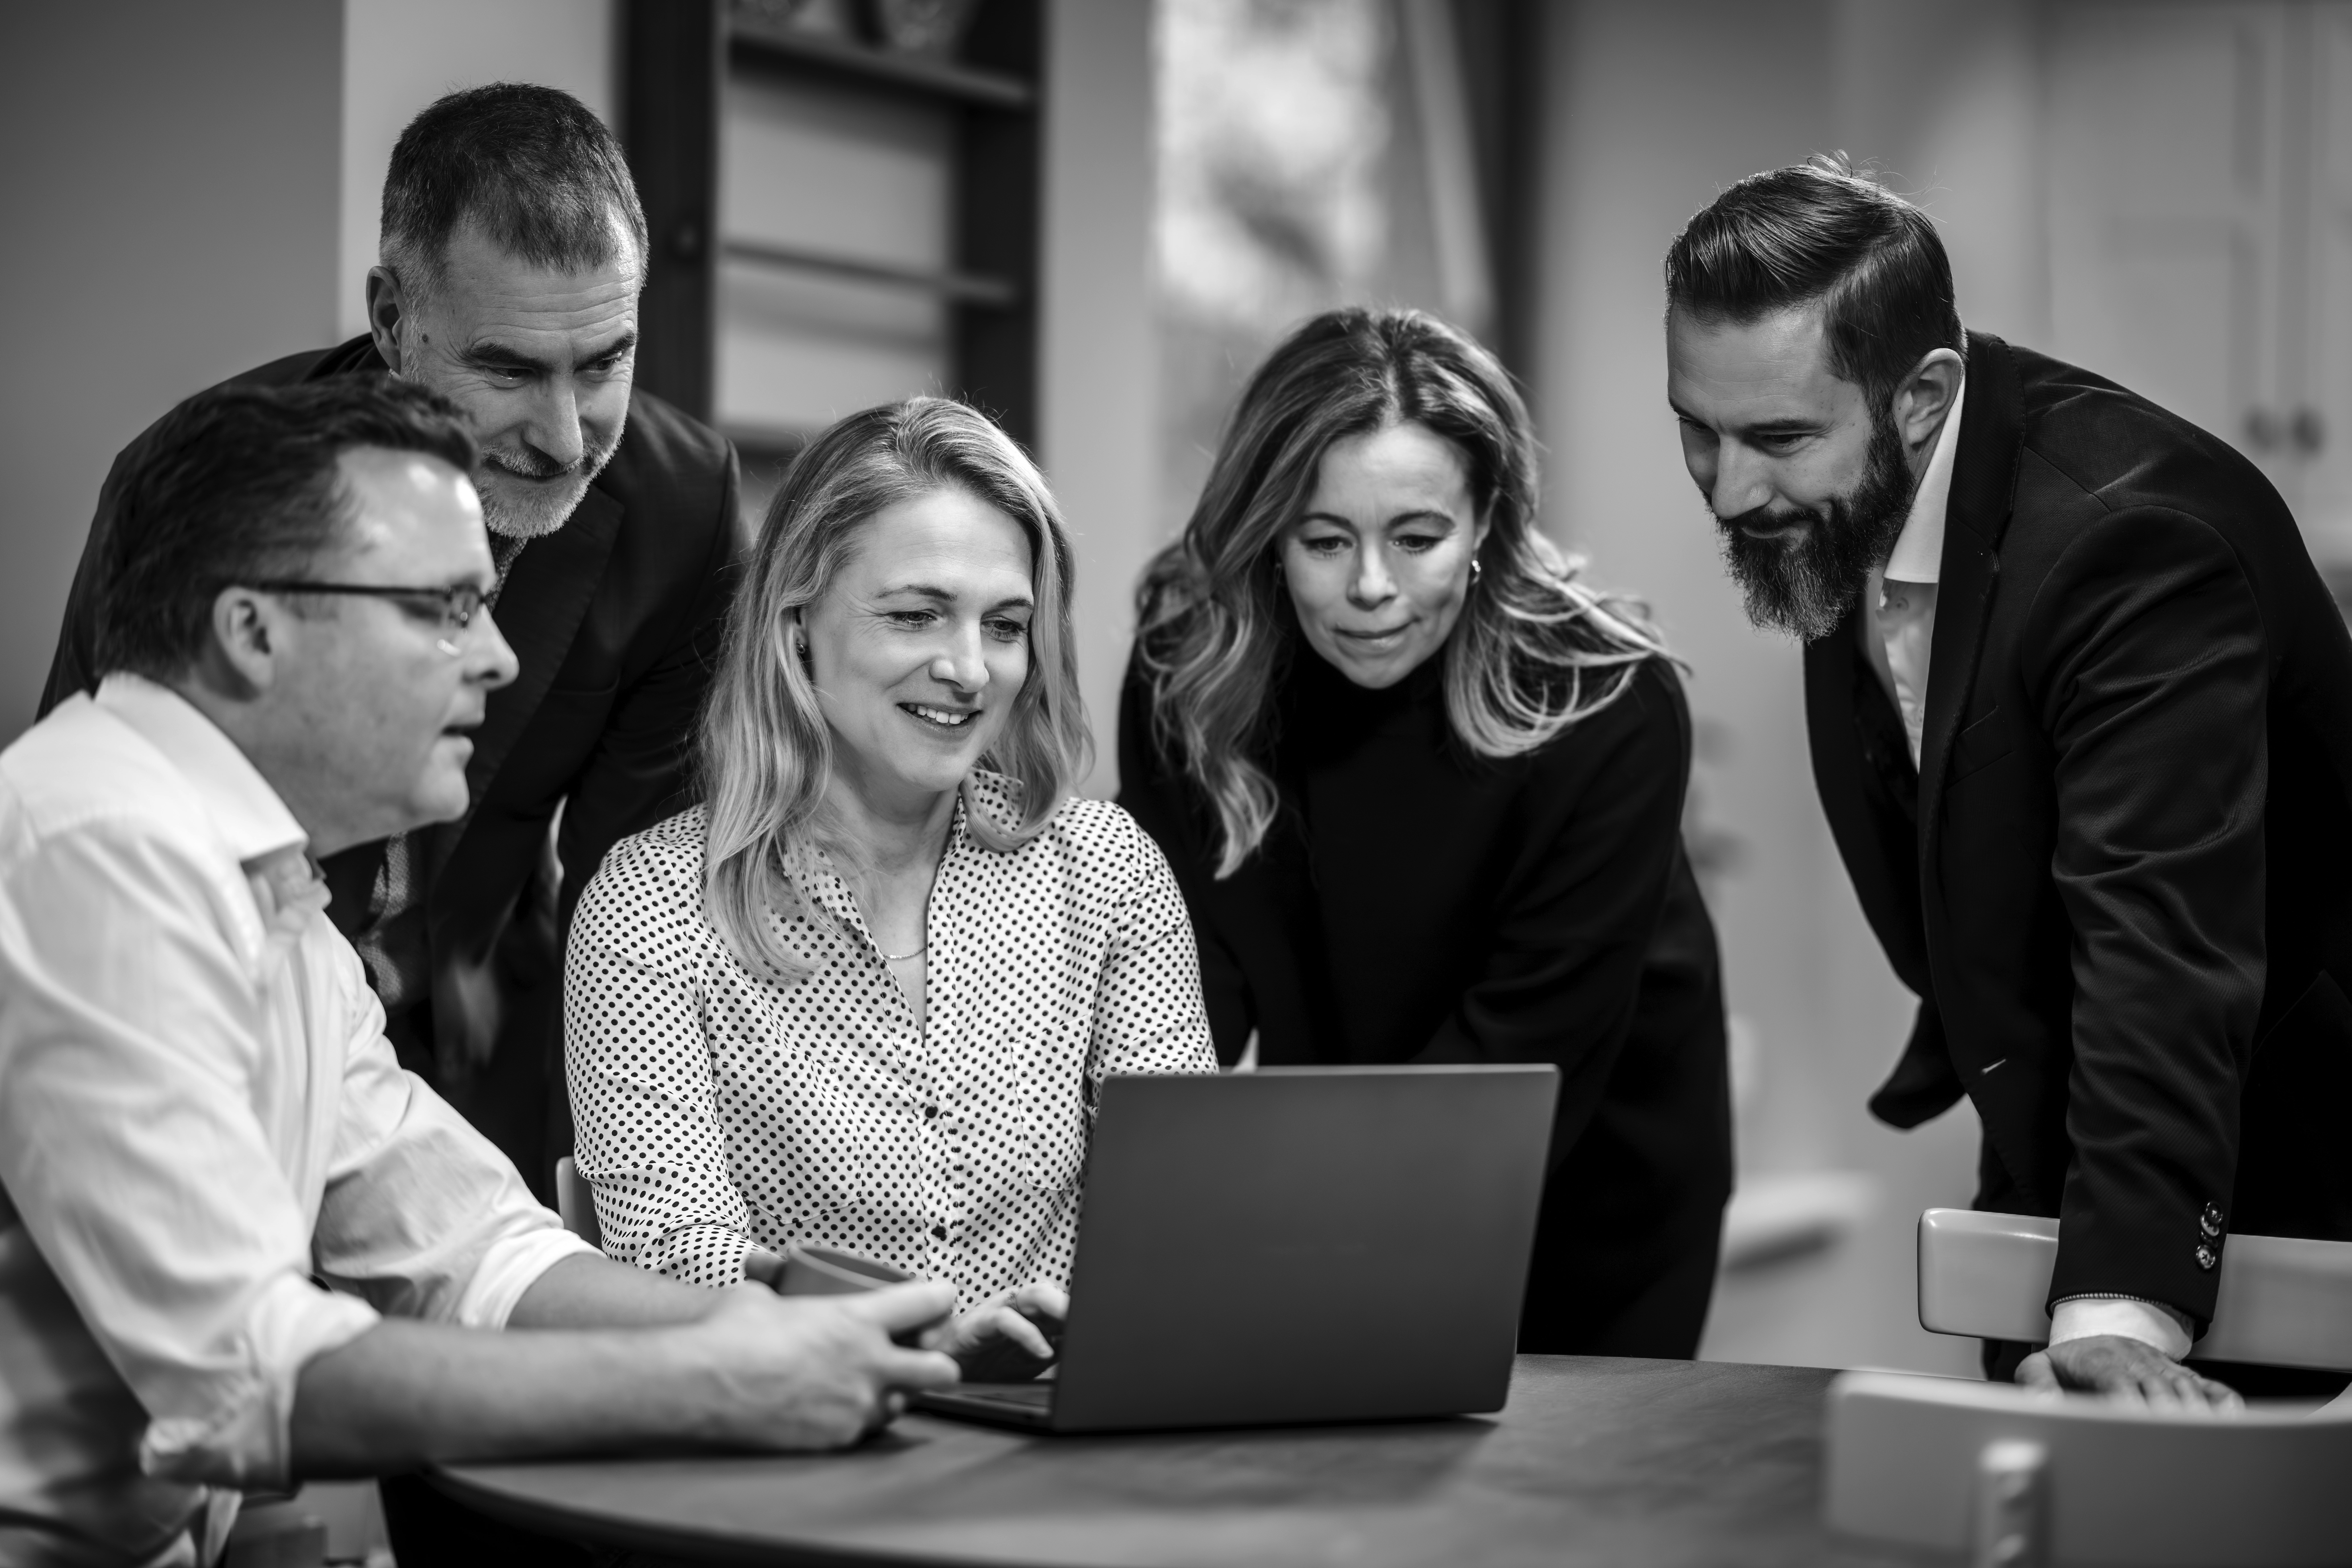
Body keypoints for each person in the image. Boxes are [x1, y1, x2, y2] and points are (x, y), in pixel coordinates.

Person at [0, 380, 959, 1568]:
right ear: (252, 630)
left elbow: (471, 1244)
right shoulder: (96, 841)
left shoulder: (265, 884)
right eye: (447, 608)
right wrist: (707, 1377)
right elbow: (250, 1363)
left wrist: (841, 1329)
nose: (500, 657)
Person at [1663, 156, 2352, 1405]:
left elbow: (2164, 934)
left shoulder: (2136, 543)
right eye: (1694, 432)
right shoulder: (1849, 497)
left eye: (1774, 438)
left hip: (2288, 1173)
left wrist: (2120, 1308)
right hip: (2053, 1150)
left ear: (1923, 396)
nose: (1727, 488)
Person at [38, 83, 744, 1199]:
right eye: (508, 370)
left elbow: (639, 903)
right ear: (390, 316)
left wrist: (636, 1212)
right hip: (223, 1017)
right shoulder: (197, 491)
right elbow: (104, 829)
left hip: (493, 1033)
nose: (566, 441)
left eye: (604, 362)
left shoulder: (682, 506)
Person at [1118, 307, 1733, 1357]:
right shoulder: (1193, 679)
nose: (1370, 589)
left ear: (1486, 520)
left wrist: (1282, 1240)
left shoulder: (1605, 701)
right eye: (1324, 541)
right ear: (1270, 532)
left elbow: (1509, 1067)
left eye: (1417, 538)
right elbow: (1176, 1008)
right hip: (1342, 1148)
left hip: (1583, 1177)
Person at [565, 397, 1218, 1340]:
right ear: (798, 628)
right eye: (917, 616)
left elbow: (1183, 1204)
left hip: (1063, 1440)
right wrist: (909, 1334)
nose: (970, 669)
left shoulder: (1106, 870)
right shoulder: (654, 906)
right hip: (796, 1440)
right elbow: (673, 1256)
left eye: (1004, 626)